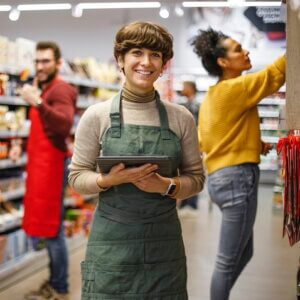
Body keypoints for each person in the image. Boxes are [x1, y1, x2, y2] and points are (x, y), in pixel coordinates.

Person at [69, 21, 205, 299]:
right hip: (111, 242)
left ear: (164, 63)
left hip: (163, 242)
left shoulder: (181, 117)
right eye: (137, 53)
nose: (146, 62)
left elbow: (196, 178)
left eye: (155, 55)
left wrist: (165, 186)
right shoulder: (97, 115)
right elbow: (76, 177)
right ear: (120, 59)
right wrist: (107, 180)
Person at [192, 28, 285, 300]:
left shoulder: (214, 95)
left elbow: (208, 138)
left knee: (244, 251)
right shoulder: (235, 88)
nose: (245, 52)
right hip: (237, 179)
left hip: (223, 179)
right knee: (226, 261)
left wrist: (253, 145)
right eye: (237, 49)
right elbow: (274, 74)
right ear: (222, 62)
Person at [18, 41, 77, 300]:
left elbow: (64, 124)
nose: (40, 66)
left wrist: (38, 102)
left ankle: (60, 288)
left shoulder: (61, 89)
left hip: (52, 167)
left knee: (53, 231)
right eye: (37, 61)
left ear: (58, 63)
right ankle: (55, 281)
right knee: (50, 230)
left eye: (46, 61)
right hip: (42, 166)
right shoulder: (46, 87)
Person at [178, 81, 201, 211]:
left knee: (192, 171)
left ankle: (192, 204)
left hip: (194, 143)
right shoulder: (184, 104)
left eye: (184, 87)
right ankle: (185, 202)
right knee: (183, 172)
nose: (182, 89)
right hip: (184, 142)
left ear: (191, 89)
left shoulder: (197, 105)